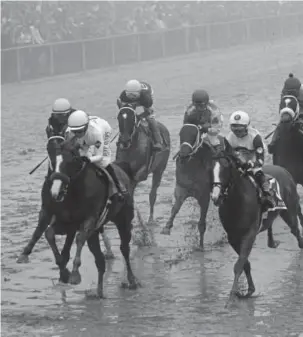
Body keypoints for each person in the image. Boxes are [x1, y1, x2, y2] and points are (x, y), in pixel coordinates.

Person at [65, 110, 128, 200]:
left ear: (86, 127)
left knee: (103, 163)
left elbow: (100, 156)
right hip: (87, 138)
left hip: (104, 131)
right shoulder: (69, 132)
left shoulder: (96, 133)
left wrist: (89, 159)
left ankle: (119, 188)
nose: (77, 134)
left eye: (80, 131)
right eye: (75, 131)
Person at [225, 110, 275, 209]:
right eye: (235, 130)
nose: (237, 133)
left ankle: (267, 194)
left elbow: (260, 158)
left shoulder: (255, 137)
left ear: (247, 127)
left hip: (254, 158)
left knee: (257, 173)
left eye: (240, 130)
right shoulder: (230, 137)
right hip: (239, 159)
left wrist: (253, 164)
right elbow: (228, 154)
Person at [117, 79, 162, 151]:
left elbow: (149, 111)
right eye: (129, 95)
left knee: (150, 119)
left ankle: (158, 141)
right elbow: (123, 110)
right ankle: (122, 138)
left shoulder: (146, 98)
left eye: (134, 95)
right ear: (126, 93)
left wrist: (139, 117)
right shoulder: (123, 96)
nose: (131, 97)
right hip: (132, 102)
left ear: (139, 92)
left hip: (143, 101)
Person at [268, 73, 302, 153]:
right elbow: (283, 106)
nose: (291, 93)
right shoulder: (284, 94)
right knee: (280, 124)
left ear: (299, 89)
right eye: (289, 91)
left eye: (294, 91)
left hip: (301, 110)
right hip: (292, 110)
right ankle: (273, 143)